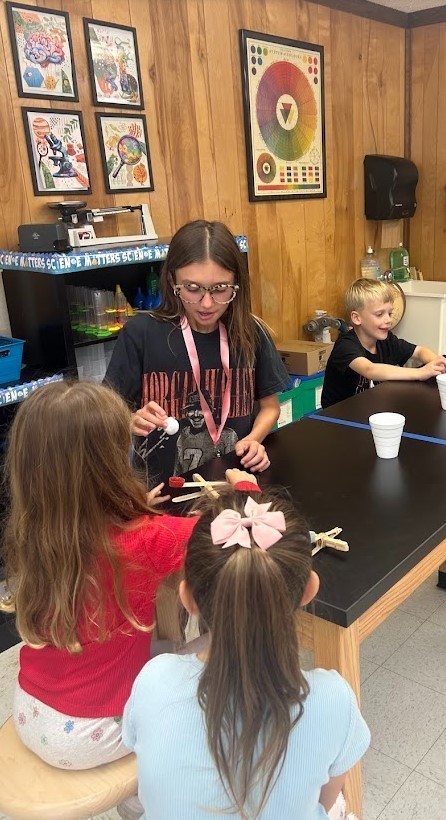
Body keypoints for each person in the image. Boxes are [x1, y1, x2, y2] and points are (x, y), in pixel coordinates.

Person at [123, 471, 370, 819]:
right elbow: (323, 802)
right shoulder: (333, 699)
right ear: (308, 590)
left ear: (187, 599)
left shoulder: (154, 679)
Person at [2, 381, 196, 769]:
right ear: (109, 461)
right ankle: (146, 797)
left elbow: (85, 513)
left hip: (28, 708)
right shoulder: (148, 540)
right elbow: (222, 534)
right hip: (95, 730)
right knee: (204, 663)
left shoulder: (33, 533)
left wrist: (135, 505)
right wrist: (245, 489)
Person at [105, 220, 290, 490]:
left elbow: (270, 407)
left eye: (219, 289)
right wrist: (130, 419)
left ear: (236, 284)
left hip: (233, 485)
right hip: (161, 493)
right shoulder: (141, 333)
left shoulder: (251, 332)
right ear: (172, 282)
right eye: (192, 289)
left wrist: (254, 439)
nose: (206, 303)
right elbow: (108, 416)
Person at [321, 278, 446, 408]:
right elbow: (370, 369)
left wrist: (435, 362)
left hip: (369, 409)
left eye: (390, 313)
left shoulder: (386, 341)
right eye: (379, 314)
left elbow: (420, 351)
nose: (388, 320)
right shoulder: (345, 346)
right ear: (357, 318)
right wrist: (421, 373)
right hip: (339, 417)